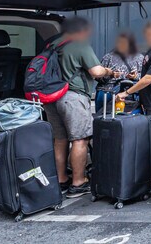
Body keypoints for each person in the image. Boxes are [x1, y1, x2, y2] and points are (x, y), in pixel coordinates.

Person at [42, 17, 112, 198]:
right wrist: (109, 71)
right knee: (80, 139)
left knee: (60, 139)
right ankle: (78, 182)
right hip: (72, 97)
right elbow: (96, 72)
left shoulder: (52, 45)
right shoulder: (80, 45)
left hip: (51, 98)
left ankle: (61, 179)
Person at [95, 32, 143, 112]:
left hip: (130, 94)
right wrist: (111, 75)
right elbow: (97, 76)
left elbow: (147, 78)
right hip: (108, 91)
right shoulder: (108, 57)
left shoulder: (140, 58)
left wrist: (135, 76)